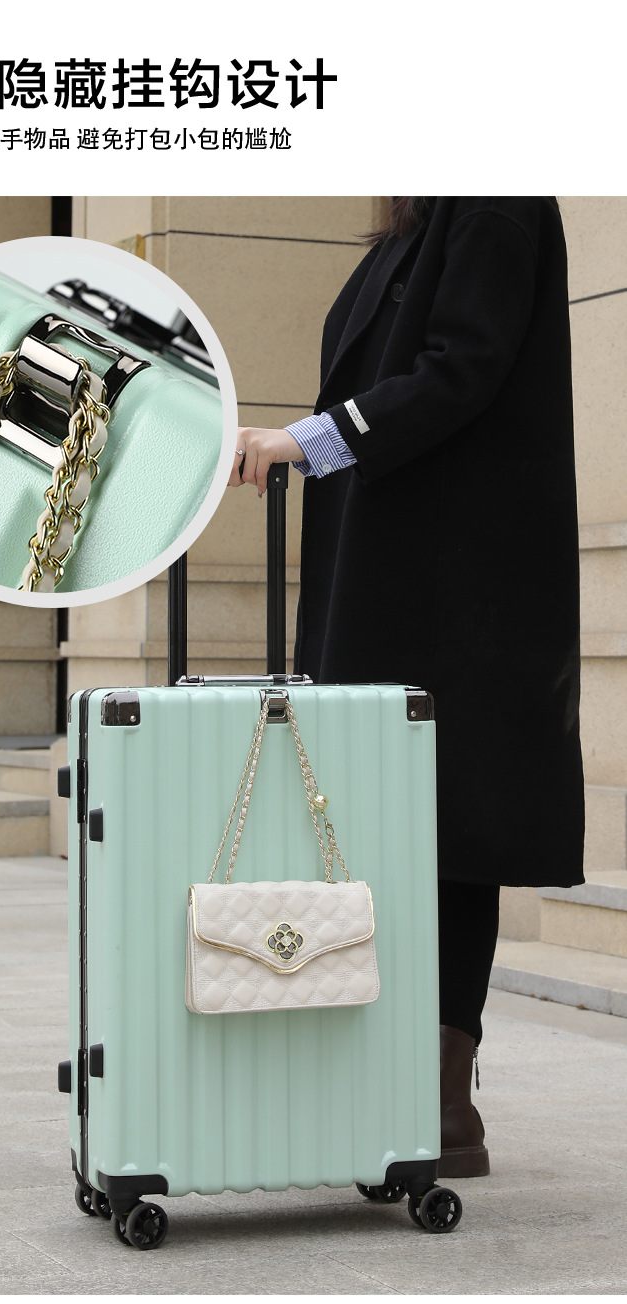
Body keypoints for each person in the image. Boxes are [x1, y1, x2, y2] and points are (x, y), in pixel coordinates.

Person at [228, 196, 585, 1178]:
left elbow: (460, 367)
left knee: (448, 830)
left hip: (458, 592)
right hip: (398, 581)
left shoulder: (496, 201)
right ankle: (393, 1080)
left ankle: (438, 1101)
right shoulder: (420, 225)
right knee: (391, 826)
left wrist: (308, 440)